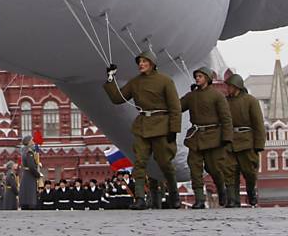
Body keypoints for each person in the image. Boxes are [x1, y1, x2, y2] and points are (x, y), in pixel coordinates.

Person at [103, 50, 182, 210]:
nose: (141, 64)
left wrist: (173, 130)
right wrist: (111, 79)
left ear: (152, 63)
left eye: (144, 61)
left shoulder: (165, 81)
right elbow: (118, 98)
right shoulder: (135, 82)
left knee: (165, 163)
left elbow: (175, 107)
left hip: (161, 126)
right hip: (143, 126)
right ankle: (139, 198)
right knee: (139, 162)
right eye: (139, 62)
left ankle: (174, 194)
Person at [180, 66, 233, 209]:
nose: (197, 78)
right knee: (194, 167)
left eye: (200, 76)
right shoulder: (191, 96)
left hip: (213, 137)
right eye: (196, 76)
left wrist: (226, 138)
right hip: (196, 136)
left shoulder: (217, 96)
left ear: (207, 79)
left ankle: (221, 188)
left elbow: (226, 118)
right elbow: (177, 106)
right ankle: (199, 199)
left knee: (214, 168)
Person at [223, 73, 266, 207]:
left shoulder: (250, 101)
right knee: (229, 171)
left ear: (237, 87)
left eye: (230, 86)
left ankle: (251, 191)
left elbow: (258, 124)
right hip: (229, 141)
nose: (228, 89)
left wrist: (259, 144)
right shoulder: (224, 102)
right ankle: (232, 199)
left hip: (247, 142)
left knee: (249, 171)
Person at [19, 135, 40, 210]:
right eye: (32, 140)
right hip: (30, 175)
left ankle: (25, 204)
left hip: (26, 174)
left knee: (26, 192)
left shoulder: (24, 150)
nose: (33, 141)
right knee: (30, 193)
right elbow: (31, 166)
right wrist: (37, 174)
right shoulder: (29, 152)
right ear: (28, 142)